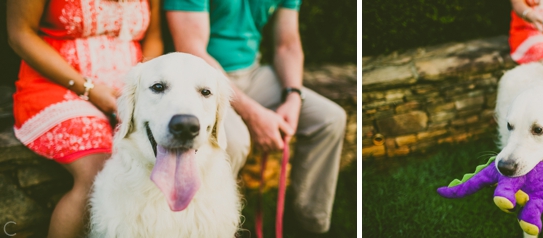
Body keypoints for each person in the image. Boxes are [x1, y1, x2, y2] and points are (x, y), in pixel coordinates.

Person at [164, 0, 347, 233]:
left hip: (252, 73)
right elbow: (192, 51)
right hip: (197, 80)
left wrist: (293, 96)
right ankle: (202, 228)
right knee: (233, 142)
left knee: (330, 120)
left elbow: (287, 44)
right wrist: (254, 114)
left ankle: (306, 225)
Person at [7, 0, 162, 237]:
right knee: (98, 171)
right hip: (57, 84)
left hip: (129, 92)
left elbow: (154, 36)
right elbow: (20, 33)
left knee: (156, 160)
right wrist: (88, 88)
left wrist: (141, 88)